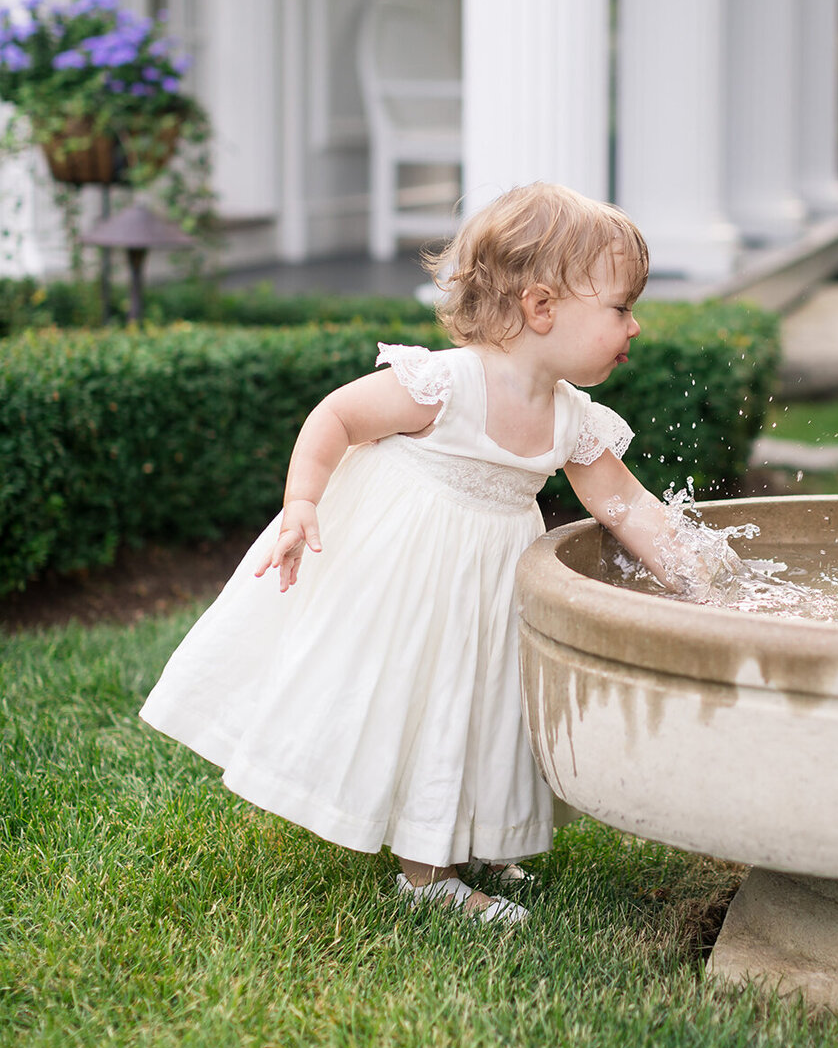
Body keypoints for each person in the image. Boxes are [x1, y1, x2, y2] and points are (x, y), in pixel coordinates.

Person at [139, 182, 724, 925]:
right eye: (620, 308)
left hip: (488, 576)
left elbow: (625, 505)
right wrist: (301, 505)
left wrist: (696, 580)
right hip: (412, 570)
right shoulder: (447, 385)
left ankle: (463, 835)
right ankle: (426, 878)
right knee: (432, 699)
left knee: (479, 706)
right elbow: (338, 416)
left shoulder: (572, 417)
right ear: (542, 307)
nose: (634, 326)